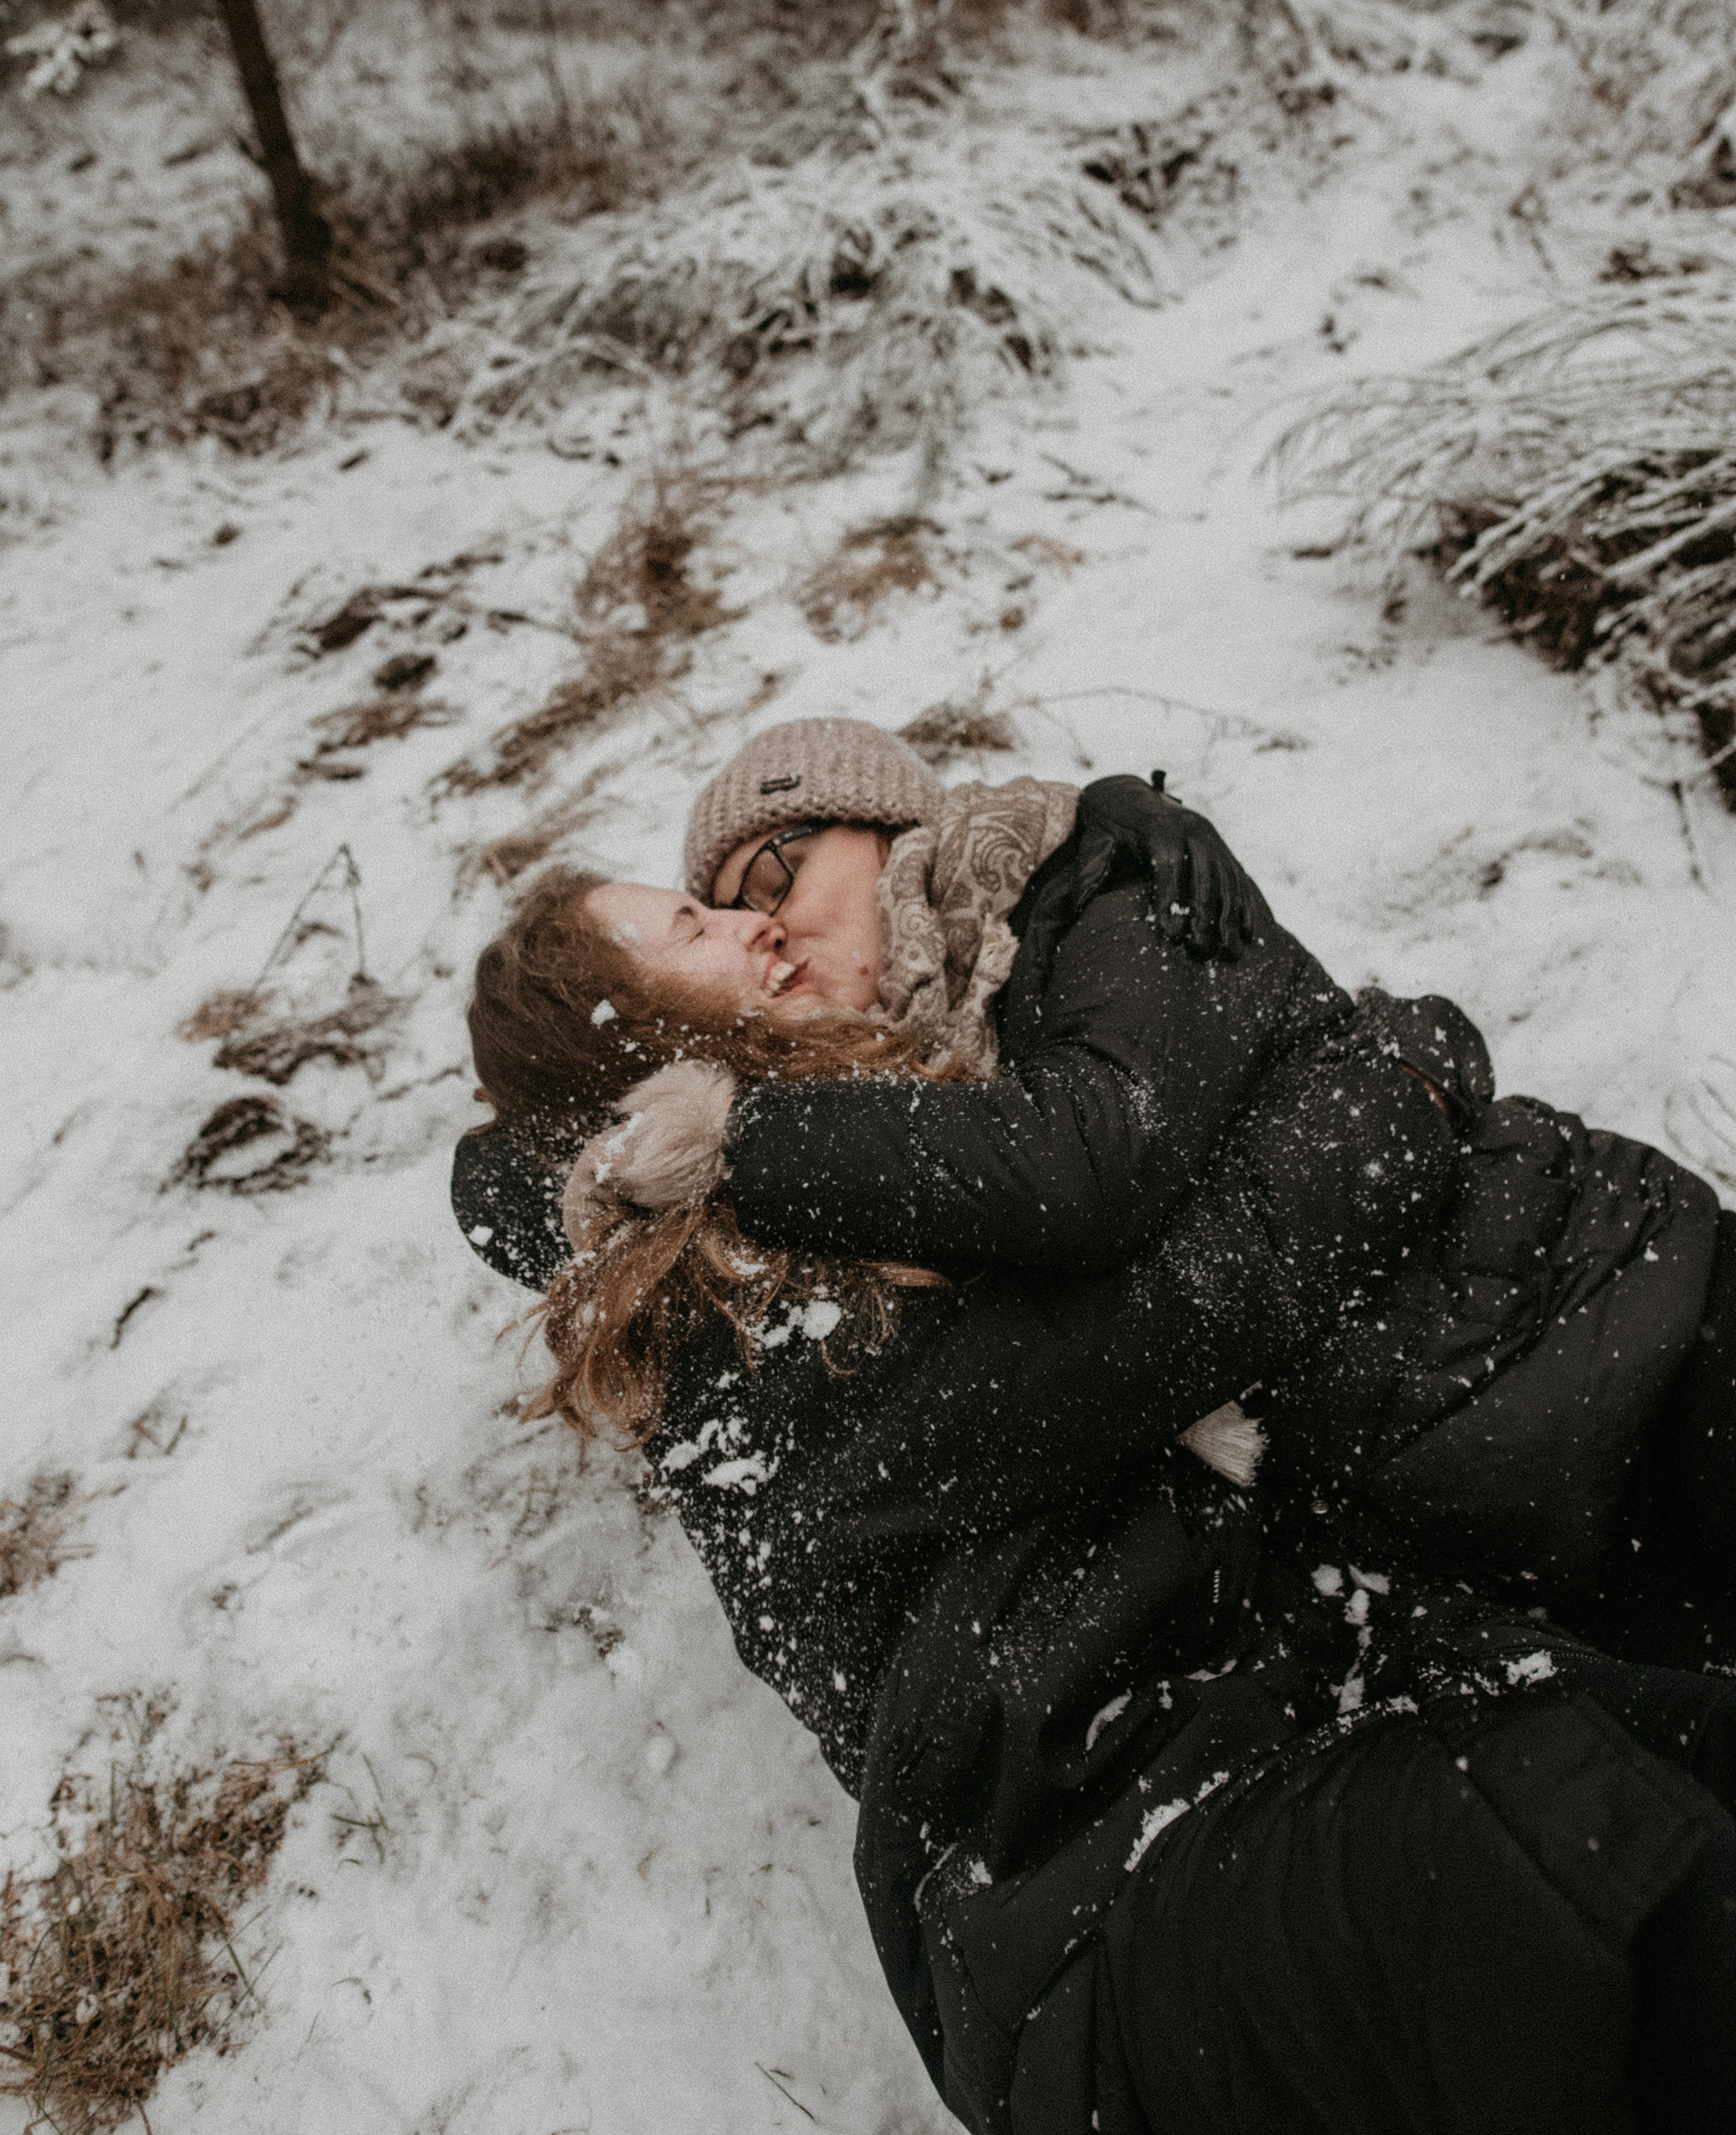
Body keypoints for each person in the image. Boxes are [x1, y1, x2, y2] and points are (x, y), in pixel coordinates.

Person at [453, 720, 1736, 2132]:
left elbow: (1100, 1177)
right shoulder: (757, 1270)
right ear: (637, 1057)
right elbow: (1131, 1273)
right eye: (706, 917)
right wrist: (1384, 1085)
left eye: (774, 870)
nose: (760, 925)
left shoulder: (1072, 924)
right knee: (1581, 1870)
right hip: (1123, 1884)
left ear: (893, 832)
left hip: (1524, 1434)